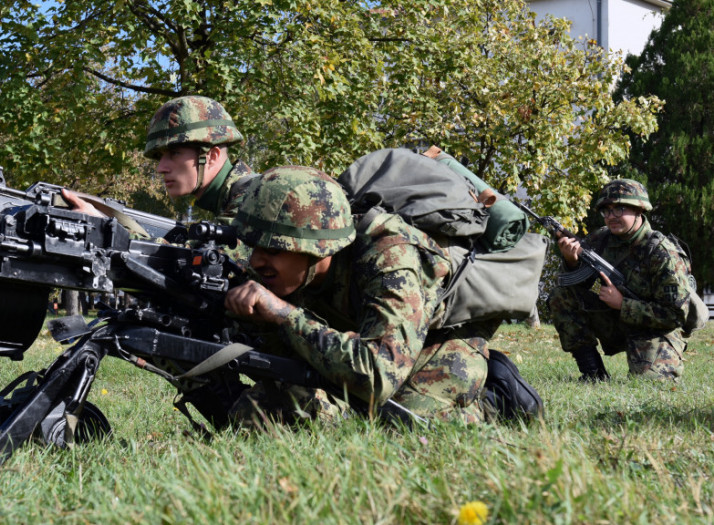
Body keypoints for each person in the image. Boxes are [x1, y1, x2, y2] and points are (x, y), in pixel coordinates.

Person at [223, 166, 495, 426]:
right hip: (362, 339)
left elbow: (378, 375)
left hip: (436, 349)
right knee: (270, 408)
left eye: (272, 250)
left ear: (319, 246)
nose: (256, 261)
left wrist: (284, 315)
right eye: (253, 246)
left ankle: (497, 400)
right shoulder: (288, 265)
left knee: (403, 424)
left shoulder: (390, 255)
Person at [548, 179, 693, 381]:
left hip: (654, 330)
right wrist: (571, 262)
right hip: (613, 321)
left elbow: (675, 315)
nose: (611, 217)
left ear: (639, 210)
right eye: (606, 211)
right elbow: (581, 285)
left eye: (619, 209)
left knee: (649, 382)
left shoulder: (662, 252)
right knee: (561, 296)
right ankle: (593, 373)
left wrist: (622, 304)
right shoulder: (600, 239)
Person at [63, 95, 256, 226]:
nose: (161, 168)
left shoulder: (255, 198)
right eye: (159, 156)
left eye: (174, 153)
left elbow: (207, 267)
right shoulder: (227, 200)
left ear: (211, 156)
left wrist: (104, 227)